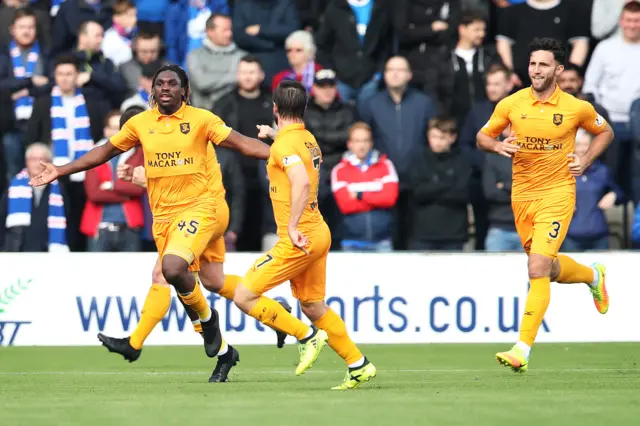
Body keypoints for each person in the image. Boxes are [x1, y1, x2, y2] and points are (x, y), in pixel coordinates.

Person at [28, 64, 273, 364]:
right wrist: (61, 170)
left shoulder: (202, 119)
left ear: (185, 90)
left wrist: (282, 153)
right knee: (183, 275)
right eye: (160, 83)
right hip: (164, 216)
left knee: (170, 269)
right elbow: (104, 151)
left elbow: (243, 144)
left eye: (173, 83)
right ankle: (216, 335)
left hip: (200, 208)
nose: (166, 87)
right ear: (152, 91)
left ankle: (204, 323)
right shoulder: (141, 123)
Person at [476, 38, 614, 372]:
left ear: (558, 69)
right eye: (533, 64)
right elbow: (482, 136)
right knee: (547, 268)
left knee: (536, 268)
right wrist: (497, 147)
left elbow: (605, 132)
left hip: (557, 194)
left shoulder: (574, 107)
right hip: (522, 197)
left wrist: (585, 158)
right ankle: (592, 275)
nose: (536, 70)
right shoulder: (512, 103)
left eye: (543, 65)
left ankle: (521, 349)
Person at [232, 80, 377, 389]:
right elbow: (293, 159)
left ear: (274, 109)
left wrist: (293, 226)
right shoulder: (306, 138)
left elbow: (299, 180)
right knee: (312, 305)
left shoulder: (286, 145)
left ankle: (306, 335)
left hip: (300, 237)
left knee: (244, 295)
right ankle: (358, 364)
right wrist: (274, 136)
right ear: (304, 109)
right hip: (318, 231)